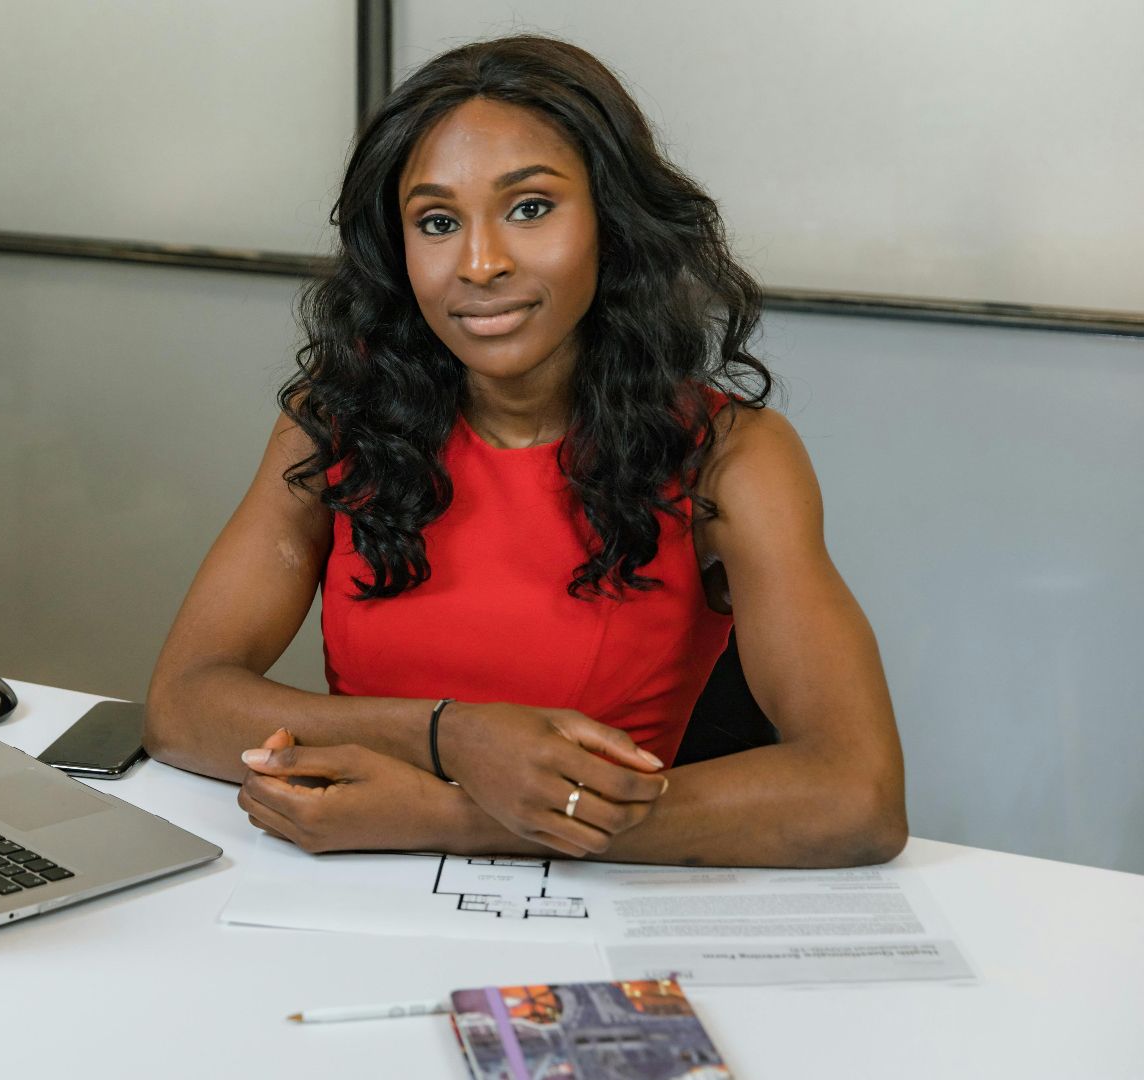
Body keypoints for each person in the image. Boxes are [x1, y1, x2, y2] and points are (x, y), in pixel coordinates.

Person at [142, 36, 907, 869]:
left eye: (531, 208)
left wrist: (453, 816)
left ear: (611, 224)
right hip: (349, 890)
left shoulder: (733, 459)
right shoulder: (333, 426)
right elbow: (183, 706)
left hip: (594, 907)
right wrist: (452, 735)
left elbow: (856, 796)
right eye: (437, 222)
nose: (480, 263)